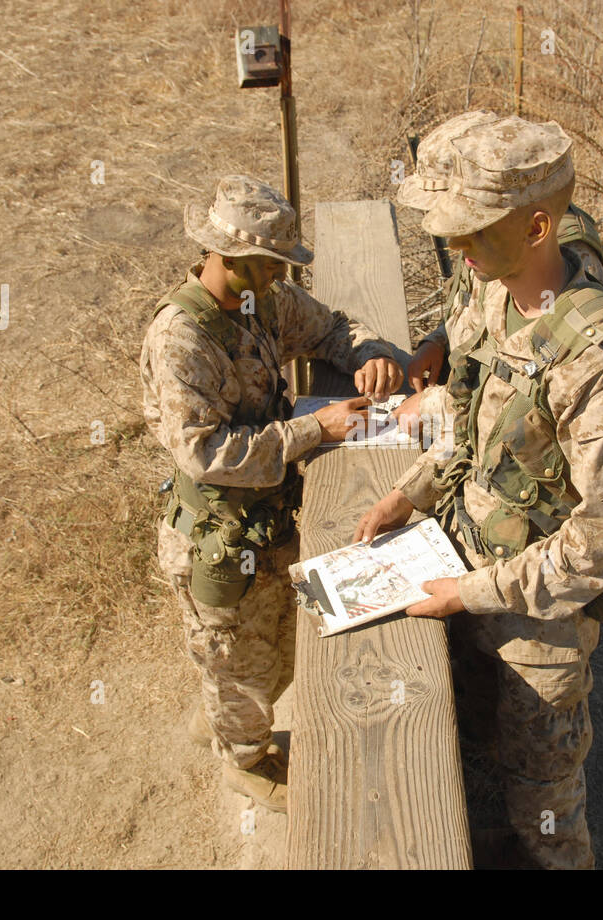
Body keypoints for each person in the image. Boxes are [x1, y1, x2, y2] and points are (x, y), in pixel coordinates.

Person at [354, 116, 603, 868]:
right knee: (475, 737)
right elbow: (469, 417)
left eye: (472, 233)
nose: (456, 251)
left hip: (537, 622)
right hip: (467, 555)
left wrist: (473, 592)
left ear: (536, 226)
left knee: (544, 794)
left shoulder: (597, 360)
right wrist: (414, 492)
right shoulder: (492, 296)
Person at [141, 175, 402, 812]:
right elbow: (206, 454)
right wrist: (315, 428)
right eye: (273, 263)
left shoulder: (263, 300)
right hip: (221, 538)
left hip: (270, 520)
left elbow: (329, 328)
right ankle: (245, 762)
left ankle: (226, 714)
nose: (282, 275)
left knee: (272, 654)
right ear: (229, 258)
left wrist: (368, 351)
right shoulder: (182, 339)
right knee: (240, 662)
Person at [392, 109, 603, 433]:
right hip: (467, 407)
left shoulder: (547, 250)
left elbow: (529, 380)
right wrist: (438, 341)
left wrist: (434, 406)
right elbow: (479, 307)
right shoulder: (490, 239)